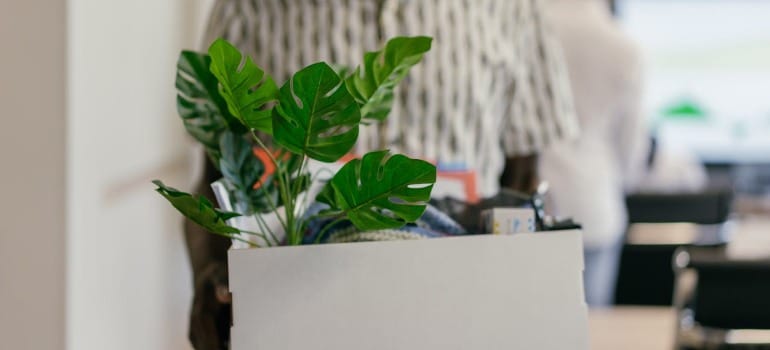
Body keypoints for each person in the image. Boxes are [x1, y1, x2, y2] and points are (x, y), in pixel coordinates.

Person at [186, 0, 580, 348]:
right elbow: (218, 174)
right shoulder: (250, 7)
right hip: (303, 317)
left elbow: (524, 180)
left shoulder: (514, 7)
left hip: (463, 316)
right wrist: (212, 276)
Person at [540, 0, 650, 306]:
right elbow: (631, 149)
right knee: (595, 326)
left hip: (533, 202)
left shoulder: (530, 25)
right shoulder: (624, 46)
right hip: (596, 203)